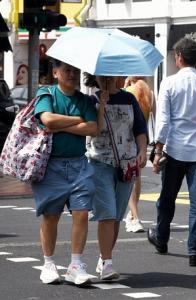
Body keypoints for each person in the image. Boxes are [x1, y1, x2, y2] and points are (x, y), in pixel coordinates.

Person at [147, 37, 196, 267]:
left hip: (174, 149)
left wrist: (158, 151)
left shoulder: (169, 83)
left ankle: (161, 238)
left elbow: (163, 121)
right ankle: (194, 251)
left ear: (179, 57)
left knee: (167, 199)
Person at [32, 59, 98, 285]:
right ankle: (48, 263)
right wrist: (77, 120)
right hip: (51, 165)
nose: (72, 74)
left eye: (75, 70)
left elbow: (94, 128)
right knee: (51, 216)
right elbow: (47, 119)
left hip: (79, 164)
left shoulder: (85, 99)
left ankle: (76, 265)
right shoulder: (46, 93)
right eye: (67, 70)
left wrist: (60, 125)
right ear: (55, 72)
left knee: (81, 213)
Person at [84, 74, 148, 280]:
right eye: (103, 76)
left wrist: (143, 150)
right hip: (99, 163)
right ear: (96, 78)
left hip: (126, 164)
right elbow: (95, 130)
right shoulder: (90, 101)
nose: (108, 80)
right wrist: (101, 107)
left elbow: (139, 128)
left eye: (111, 76)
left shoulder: (129, 99)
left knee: (117, 216)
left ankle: (104, 259)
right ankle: (108, 263)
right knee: (108, 214)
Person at [123, 76, 153, 233]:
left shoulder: (128, 92)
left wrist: (124, 86)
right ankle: (132, 214)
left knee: (129, 180)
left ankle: (135, 217)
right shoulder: (150, 94)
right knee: (137, 178)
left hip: (128, 139)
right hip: (143, 138)